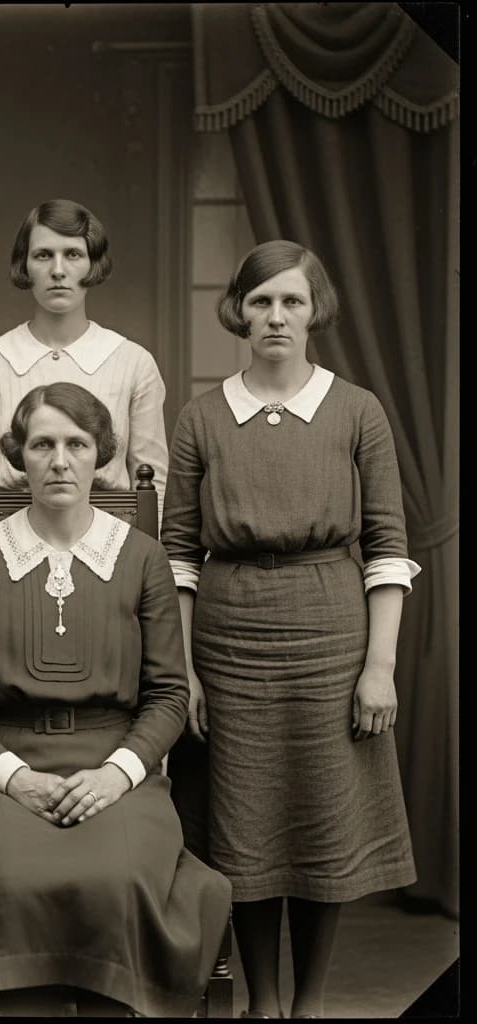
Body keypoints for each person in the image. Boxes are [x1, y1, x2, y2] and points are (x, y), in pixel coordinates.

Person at [161, 240, 419, 1019]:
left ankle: (308, 1004)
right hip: (228, 637)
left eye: (292, 301)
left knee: (321, 819)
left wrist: (379, 666)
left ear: (316, 311)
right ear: (239, 311)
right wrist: (186, 670)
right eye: (262, 301)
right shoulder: (202, 417)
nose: (276, 316)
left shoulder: (357, 410)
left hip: (331, 631)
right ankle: (261, 1002)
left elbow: (388, 547)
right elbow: (179, 555)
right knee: (243, 821)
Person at [0, 382, 231, 1017]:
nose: (59, 461)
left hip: (116, 769)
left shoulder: (142, 558)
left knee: (116, 878)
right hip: (2, 772)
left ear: (101, 455)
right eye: (42, 445)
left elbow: (168, 694)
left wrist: (118, 775)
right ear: (17, 456)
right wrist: (15, 778)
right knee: (8, 880)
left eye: (77, 444)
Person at [0, 199, 169, 507]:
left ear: (92, 264)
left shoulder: (134, 363)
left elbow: (154, 486)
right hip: (2, 526)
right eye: (43, 255)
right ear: (25, 265)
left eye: (73, 254)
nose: (58, 271)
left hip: (110, 527)